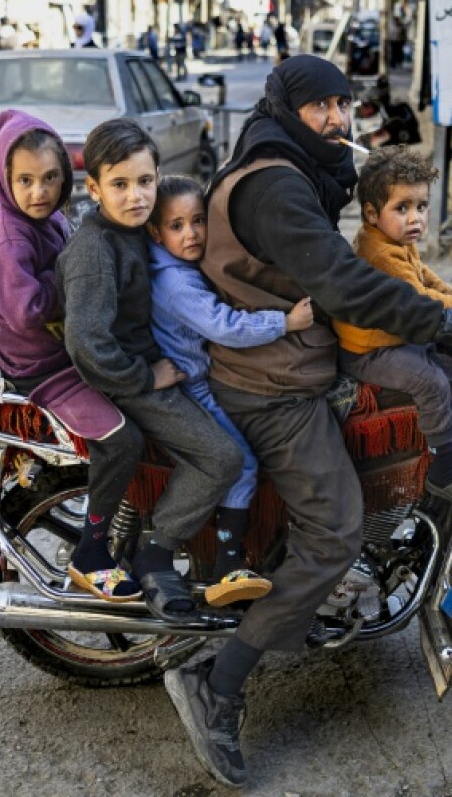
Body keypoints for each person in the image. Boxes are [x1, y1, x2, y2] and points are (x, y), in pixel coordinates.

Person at [162, 54, 452, 787]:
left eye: (345, 104)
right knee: (337, 529)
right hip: (273, 386)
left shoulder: (284, 160)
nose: (339, 120)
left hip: (293, 362)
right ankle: (217, 681)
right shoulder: (277, 186)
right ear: (288, 108)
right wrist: (447, 326)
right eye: (322, 108)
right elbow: (343, 283)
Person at [57, 118, 244, 622]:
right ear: (93, 188)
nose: (137, 196)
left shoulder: (134, 230)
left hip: (156, 365)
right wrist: (145, 378)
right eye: (119, 185)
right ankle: (158, 553)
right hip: (128, 380)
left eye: (146, 181)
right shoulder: (95, 250)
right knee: (223, 458)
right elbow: (88, 342)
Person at [0, 110, 142, 601]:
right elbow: (26, 310)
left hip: (67, 344)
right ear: (3, 179)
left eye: (49, 178)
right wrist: (77, 277)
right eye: (24, 180)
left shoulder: (51, 219)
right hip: (42, 367)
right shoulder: (6, 236)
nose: (38, 192)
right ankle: (92, 552)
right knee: (123, 440)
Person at [147, 175, 315, 605]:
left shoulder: (174, 267)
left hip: (195, 379)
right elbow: (224, 326)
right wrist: (287, 323)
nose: (192, 234)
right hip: (189, 389)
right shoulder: (177, 284)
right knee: (239, 463)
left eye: (198, 221)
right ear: (156, 231)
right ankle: (226, 564)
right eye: (177, 225)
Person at [333, 146, 452, 507]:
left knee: (450, 363)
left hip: (392, 336)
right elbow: (420, 298)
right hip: (368, 350)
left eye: (421, 206)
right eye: (401, 208)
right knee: (430, 382)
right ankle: (444, 468)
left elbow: (428, 278)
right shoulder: (381, 253)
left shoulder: (397, 240)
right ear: (371, 213)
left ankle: (447, 443)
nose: (415, 217)